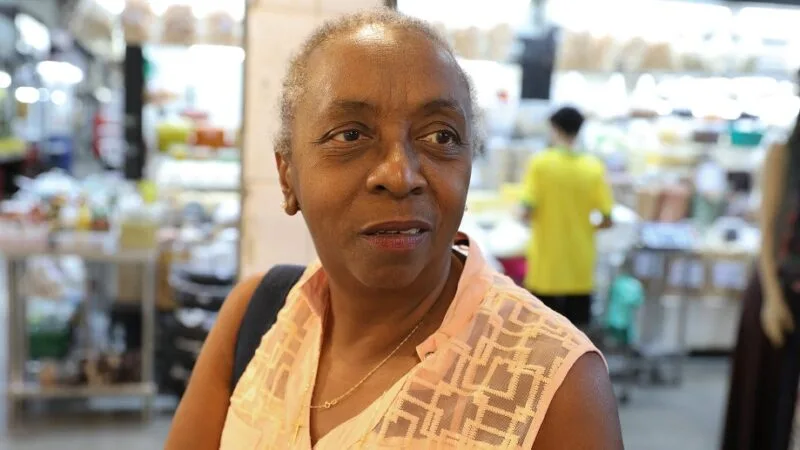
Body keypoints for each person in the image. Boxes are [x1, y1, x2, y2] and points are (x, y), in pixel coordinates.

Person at [165, 10, 622, 449]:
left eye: (441, 136)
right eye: (350, 135)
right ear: (288, 177)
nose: (400, 175)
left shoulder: (554, 386)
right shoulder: (257, 318)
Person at [722, 109, 800, 450]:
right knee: (765, 402)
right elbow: (767, 232)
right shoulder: (782, 153)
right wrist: (772, 297)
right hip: (778, 289)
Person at [521, 106, 614, 327]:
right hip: (580, 267)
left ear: (554, 128)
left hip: (546, 266)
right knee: (577, 340)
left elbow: (527, 210)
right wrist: (585, 229)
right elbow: (608, 219)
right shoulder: (594, 167)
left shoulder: (541, 164)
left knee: (541, 338)